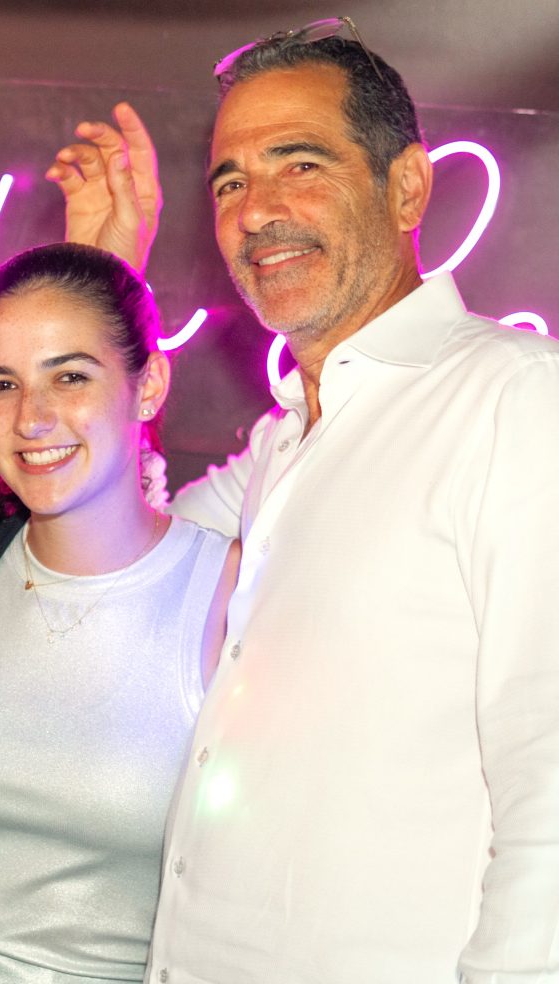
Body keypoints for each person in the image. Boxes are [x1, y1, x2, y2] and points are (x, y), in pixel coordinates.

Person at [144, 21, 559, 983]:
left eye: (301, 164)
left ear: (406, 186)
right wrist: (101, 276)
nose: (257, 211)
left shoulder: (517, 399)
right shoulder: (283, 436)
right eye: (230, 182)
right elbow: (122, 551)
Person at [0, 242, 238, 984]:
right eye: (2, 384)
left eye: (70, 376)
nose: (31, 418)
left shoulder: (230, 593)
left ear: (149, 385)